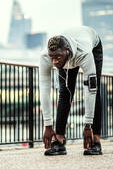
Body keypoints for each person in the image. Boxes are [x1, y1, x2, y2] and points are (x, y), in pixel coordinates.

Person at [39, 26, 103, 155]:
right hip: (69, 49)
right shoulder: (47, 55)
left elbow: (90, 89)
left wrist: (88, 126)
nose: (55, 61)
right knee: (65, 92)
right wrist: (47, 125)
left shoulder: (85, 53)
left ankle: (96, 141)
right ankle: (59, 140)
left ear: (67, 51)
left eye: (58, 57)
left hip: (92, 45)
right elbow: (44, 88)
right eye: (52, 57)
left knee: (95, 90)